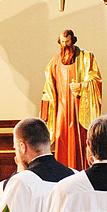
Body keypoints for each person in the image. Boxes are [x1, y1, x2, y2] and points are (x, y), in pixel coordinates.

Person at [40, 29, 102, 170]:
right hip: (61, 108)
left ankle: (83, 171)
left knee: (79, 139)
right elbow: (48, 87)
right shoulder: (54, 62)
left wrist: (82, 86)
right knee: (61, 136)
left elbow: (96, 79)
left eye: (67, 42)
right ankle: (61, 172)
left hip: (79, 107)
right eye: (62, 42)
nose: (65, 45)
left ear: (73, 40)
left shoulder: (87, 58)